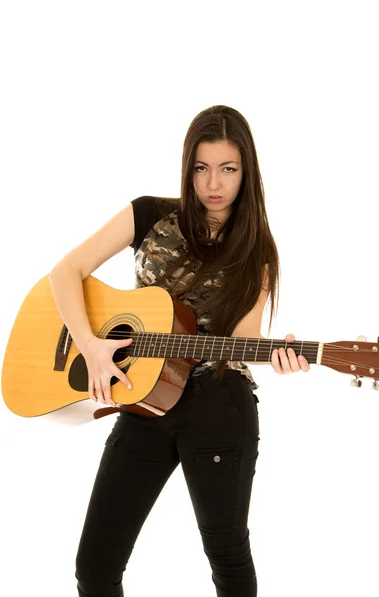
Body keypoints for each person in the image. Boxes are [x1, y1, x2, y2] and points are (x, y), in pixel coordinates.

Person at [48, 104, 310, 597]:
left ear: (246, 172)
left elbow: (244, 339)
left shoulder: (258, 250)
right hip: (144, 400)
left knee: (227, 555)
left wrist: (278, 353)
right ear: (188, 165)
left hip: (219, 404)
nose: (214, 183)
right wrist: (91, 346)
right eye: (202, 167)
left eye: (228, 169)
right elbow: (65, 273)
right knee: (95, 566)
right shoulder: (148, 214)